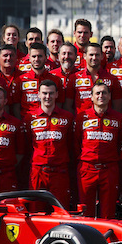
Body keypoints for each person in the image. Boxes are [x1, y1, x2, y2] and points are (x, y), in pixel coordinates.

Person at [74, 80, 122, 219]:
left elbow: (121, 142)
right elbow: (76, 142)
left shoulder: (119, 118)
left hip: (109, 168)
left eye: (104, 93)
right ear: (91, 97)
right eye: (97, 93)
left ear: (109, 96)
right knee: (86, 212)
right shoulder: (82, 117)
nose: (100, 96)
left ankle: (106, 240)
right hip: (87, 168)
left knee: (108, 212)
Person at [25, 79, 74, 207]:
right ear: (39, 94)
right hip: (38, 171)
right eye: (45, 93)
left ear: (57, 94)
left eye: (51, 93)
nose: (48, 97)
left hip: (60, 172)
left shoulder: (67, 117)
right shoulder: (29, 118)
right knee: (36, 213)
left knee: (61, 212)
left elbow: (71, 144)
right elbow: (26, 146)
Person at [67, 43, 122, 114]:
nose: (94, 58)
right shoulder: (74, 78)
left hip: (106, 122)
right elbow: (68, 106)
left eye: (97, 55)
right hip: (81, 122)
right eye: (91, 55)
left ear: (102, 56)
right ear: (84, 56)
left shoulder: (112, 79)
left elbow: (117, 107)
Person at [0, 84, 24, 194]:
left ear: (5, 101)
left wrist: (6, 165)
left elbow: (20, 152)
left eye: (0, 98)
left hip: (7, 175)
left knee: (8, 207)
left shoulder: (15, 123)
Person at [16, 42, 65, 119]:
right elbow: (16, 107)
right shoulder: (20, 80)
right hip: (26, 122)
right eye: (34, 56)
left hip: (50, 123)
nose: (37, 59)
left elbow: (59, 105)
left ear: (46, 57)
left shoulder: (56, 80)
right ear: (29, 58)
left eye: (40, 56)